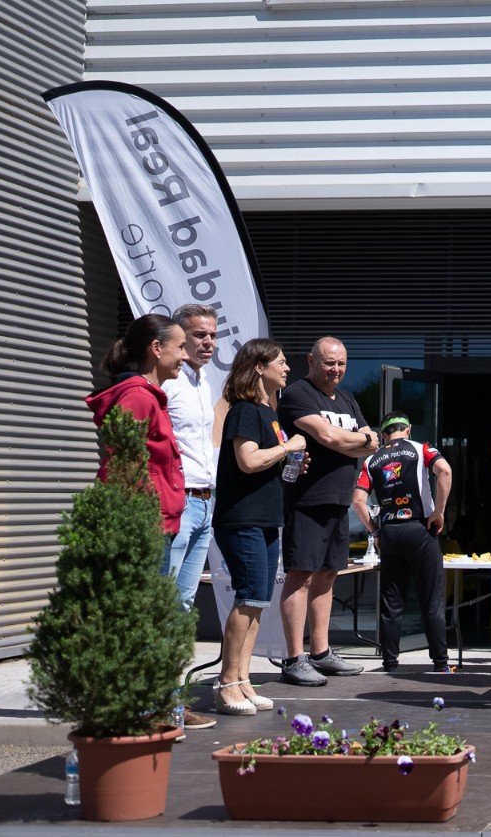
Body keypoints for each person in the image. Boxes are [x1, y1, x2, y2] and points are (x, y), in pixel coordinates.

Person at [210, 339, 307, 716]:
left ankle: (242, 680)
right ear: (258, 367)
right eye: (280, 362)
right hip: (242, 519)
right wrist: (287, 448)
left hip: (265, 519)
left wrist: (291, 461)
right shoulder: (244, 411)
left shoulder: (269, 413)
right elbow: (248, 461)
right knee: (248, 598)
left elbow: (266, 464)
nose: (287, 368)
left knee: (258, 603)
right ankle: (226, 683)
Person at [275, 336, 378, 686]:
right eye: (329, 362)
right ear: (311, 360)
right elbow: (331, 438)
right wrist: (353, 440)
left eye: (341, 363)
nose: (336, 369)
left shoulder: (347, 398)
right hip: (306, 499)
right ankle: (294, 659)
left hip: (339, 500)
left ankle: (321, 653)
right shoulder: (298, 394)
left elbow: (370, 442)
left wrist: (354, 440)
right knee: (301, 575)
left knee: (328, 575)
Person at [161, 303, 223, 730]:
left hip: (205, 500)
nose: (208, 343)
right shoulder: (168, 383)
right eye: (200, 335)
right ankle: (152, 707)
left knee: (182, 605)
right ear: (180, 339)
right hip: (177, 501)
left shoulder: (204, 382)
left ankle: (172, 705)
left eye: (212, 335)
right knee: (164, 602)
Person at [352, 414, 452, 673]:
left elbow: (358, 501)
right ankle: (440, 663)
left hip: (390, 532)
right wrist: (439, 512)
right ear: (408, 430)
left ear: (383, 434)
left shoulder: (371, 460)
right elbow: (444, 471)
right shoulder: (421, 448)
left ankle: (390, 663)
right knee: (431, 599)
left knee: (392, 602)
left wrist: (374, 531)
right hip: (421, 528)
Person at [86, 314, 189, 537]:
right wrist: (146, 518)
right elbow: (125, 464)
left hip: (155, 523)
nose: (185, 355)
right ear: (156, 348)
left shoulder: (148, 396)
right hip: (145, 526)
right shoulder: (138, 397)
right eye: (181, 347)